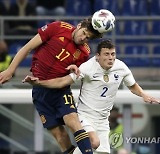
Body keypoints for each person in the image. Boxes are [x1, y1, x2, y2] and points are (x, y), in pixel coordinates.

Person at [23, 40, 160, 154]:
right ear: (97, 56)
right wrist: (40, 83)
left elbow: (132, 85)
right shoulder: (87, 67)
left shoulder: (121, 67)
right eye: (106, 54)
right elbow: (63, 81)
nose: (111, 58)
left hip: (103, 120)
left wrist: (144, 95)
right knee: (94, 142)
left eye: (113, 54)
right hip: (85, 115)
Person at [0, 16, 103, 153]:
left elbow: (73, 76)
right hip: (39, 91)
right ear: (79, 26)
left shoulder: (84, 53)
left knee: (72, 121)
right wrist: (10, 70)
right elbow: (28, 47)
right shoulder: (57, 27)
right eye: (84, 33)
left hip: (60, 90)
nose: (84, 38)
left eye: (88, 37)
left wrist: (74, 70)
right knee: (60, 136)